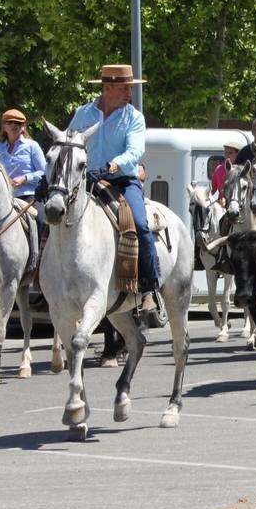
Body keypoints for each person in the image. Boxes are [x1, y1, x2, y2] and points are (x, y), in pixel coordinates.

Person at [66, 63, 165, 321]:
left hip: (121, 181)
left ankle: (149, 288)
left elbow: (135, 152)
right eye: (125, 88)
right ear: (107, 88)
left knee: (141, 225)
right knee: (53, 215)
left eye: (130, 88)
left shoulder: (134, 117)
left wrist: (112, 165)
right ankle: (46, 280)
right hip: (84, 180)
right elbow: (69, 142)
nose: (129, 93)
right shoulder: (83, 114)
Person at [0, 109, 46, 201]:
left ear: (23, 127)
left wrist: (25, 178)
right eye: (10, 122)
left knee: (37, 215)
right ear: (4, 126)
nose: (14, 125)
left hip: (29, 195)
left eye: (18, 123)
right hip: (2, 196)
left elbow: (45, 172)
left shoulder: (32, 146)